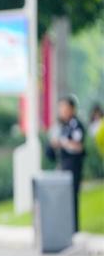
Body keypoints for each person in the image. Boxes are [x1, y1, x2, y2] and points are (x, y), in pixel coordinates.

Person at [50, 96, 86, 232]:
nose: (62, 111)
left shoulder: (76, 125)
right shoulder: (63, 126)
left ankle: (74, 228)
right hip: (64, 164)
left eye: (64, 108)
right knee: (63, 197)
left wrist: (62, 143)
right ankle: (64, 227)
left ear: (72, 109)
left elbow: (78, 146)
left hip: (73, 165)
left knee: (72, 196)